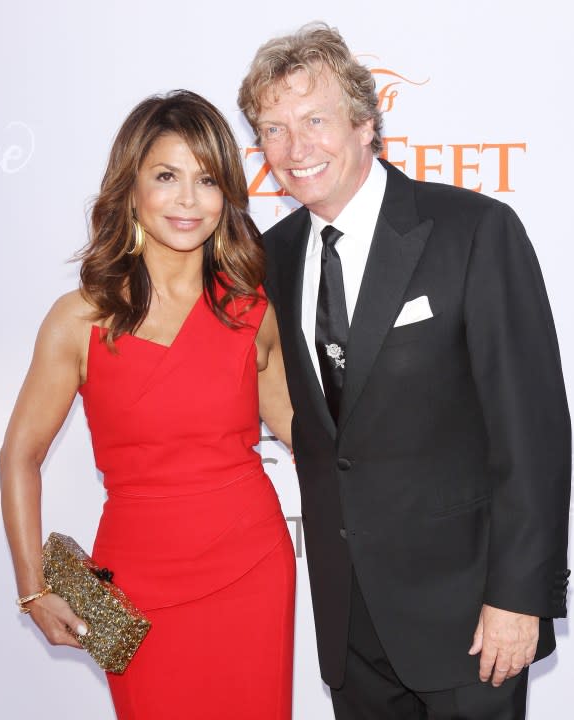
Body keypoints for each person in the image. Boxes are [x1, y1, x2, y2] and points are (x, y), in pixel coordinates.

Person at [238, 22, 571, 720]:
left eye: (314, 120)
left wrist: (518, 597)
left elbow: (532, 432)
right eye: (272, 129)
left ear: (364, 124)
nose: (295, 149)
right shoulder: (273, 254)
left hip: (470, 620)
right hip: (348, 623)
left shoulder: (472, 231)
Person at [0, 90, 295, 720]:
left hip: (253, 567)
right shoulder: (80, 318)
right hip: (137, 584)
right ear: (131, 187)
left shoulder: (253, 312)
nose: (189, 200)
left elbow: (308, 435)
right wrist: (33, 591)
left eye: (207, 180)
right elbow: (18, 457)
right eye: (167, 176)